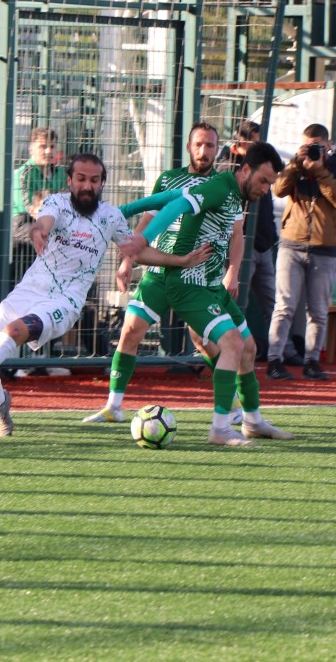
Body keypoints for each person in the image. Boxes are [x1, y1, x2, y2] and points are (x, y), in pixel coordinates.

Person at [0, 153, 207, 439]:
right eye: (81, 179)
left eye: (94, 180)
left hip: (64, 302)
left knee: (14, 332)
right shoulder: (57, 203)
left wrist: (181, 260)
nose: (87, 186)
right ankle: (0, 404)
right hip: (29, 290)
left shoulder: (111, 216)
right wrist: (39, 231)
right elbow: (44, 222)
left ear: (102, 183)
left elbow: (137, 250)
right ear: (70, 180)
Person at [122, 142, 291, 446]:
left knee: (249, 348)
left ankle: (253, 422)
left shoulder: (232, 192)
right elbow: (177, 206)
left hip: (211, 285)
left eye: (270, 184)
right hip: (188, 284)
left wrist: (122, 210)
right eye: (264, 181)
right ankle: (220, 429)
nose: (267, 190)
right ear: (246, 170)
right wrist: (143, 238)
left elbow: (169, 196)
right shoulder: (219, 188)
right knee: (232, 343)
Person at [84, 122, 243, 426]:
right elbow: (147, 219)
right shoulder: (169, 179)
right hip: (159, 271)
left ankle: (232, 403)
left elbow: (238, 234)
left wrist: (232, 272)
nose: (204, 151)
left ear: (217, 149)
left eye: (210, 145)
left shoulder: (225, 187)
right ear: (189, 147)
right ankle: (113, 407)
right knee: (130, 330)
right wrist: (128, 260)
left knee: (203, 340)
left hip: (197, 278)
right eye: (198, 144)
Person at [267, 124, 336, 382]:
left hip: (325, 249)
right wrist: (297, 163)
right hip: (291, 245)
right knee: (284, 307)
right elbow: (278, 189)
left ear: (328, 144)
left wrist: (319, 171)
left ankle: (312, 361)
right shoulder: (296, 166)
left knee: (317, 310)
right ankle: (274, 360)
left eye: (317, 145)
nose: (312, 149)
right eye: (308, 145)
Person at [219, 120, 277, 362]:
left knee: (272, 302)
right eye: (255, 142)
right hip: (241, 246)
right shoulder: (229, 165)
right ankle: (228, 349)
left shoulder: (262, 167)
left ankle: (275, 352)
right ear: (242, 142)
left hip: (264, 245)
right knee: (234, 301)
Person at [12, 127, 66, 286]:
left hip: (55, 223)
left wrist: (45, 203)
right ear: (31, 149)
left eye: (52, 146)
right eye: (43, 146)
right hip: (24, 224)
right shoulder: (23, 174)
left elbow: (68, 203)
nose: (48, 151)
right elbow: (31, 210)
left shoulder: (61, 173)